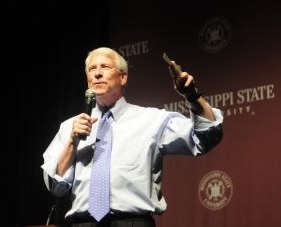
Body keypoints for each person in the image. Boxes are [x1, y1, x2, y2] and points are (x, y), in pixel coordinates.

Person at [41, 47, 223, 227]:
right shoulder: (70, 127)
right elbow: (56, 187)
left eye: (105, 67)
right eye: (92, 69)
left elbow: (206, 137)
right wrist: (73, 142)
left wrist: (192, 95)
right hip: (81, 223)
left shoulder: (152, 120)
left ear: (123, 77)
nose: (97, 74)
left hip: (132, 222)